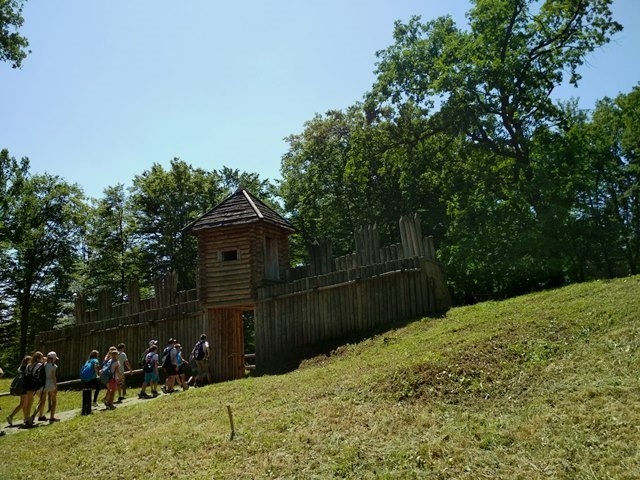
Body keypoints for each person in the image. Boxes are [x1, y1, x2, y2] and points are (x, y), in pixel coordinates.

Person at [21, 351, 45, 428]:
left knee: (29, 402)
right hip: (33, 385)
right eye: (41, 357)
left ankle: (26, 418)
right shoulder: (39, 364)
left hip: (27, 384)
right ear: (38, 358)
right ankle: (29, 418)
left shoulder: (28, 365)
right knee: (35, 402)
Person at [6, 355, 31, 427]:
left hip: (21, 387)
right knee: (23, 404)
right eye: (30, 360)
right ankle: (11, 416)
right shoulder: (26, 368)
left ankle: (26, 418)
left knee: (24, 404)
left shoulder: (21, 367)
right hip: (24, 388)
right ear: (27, 361)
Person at [37, 351, 60, 422]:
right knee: (54, 401)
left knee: (42, 401)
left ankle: (38, 415)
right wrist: (55, 386)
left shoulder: (44, 365)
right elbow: (53, 377)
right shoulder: (53, 366)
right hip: (51, 384)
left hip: (44, 384)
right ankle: (52, 417)